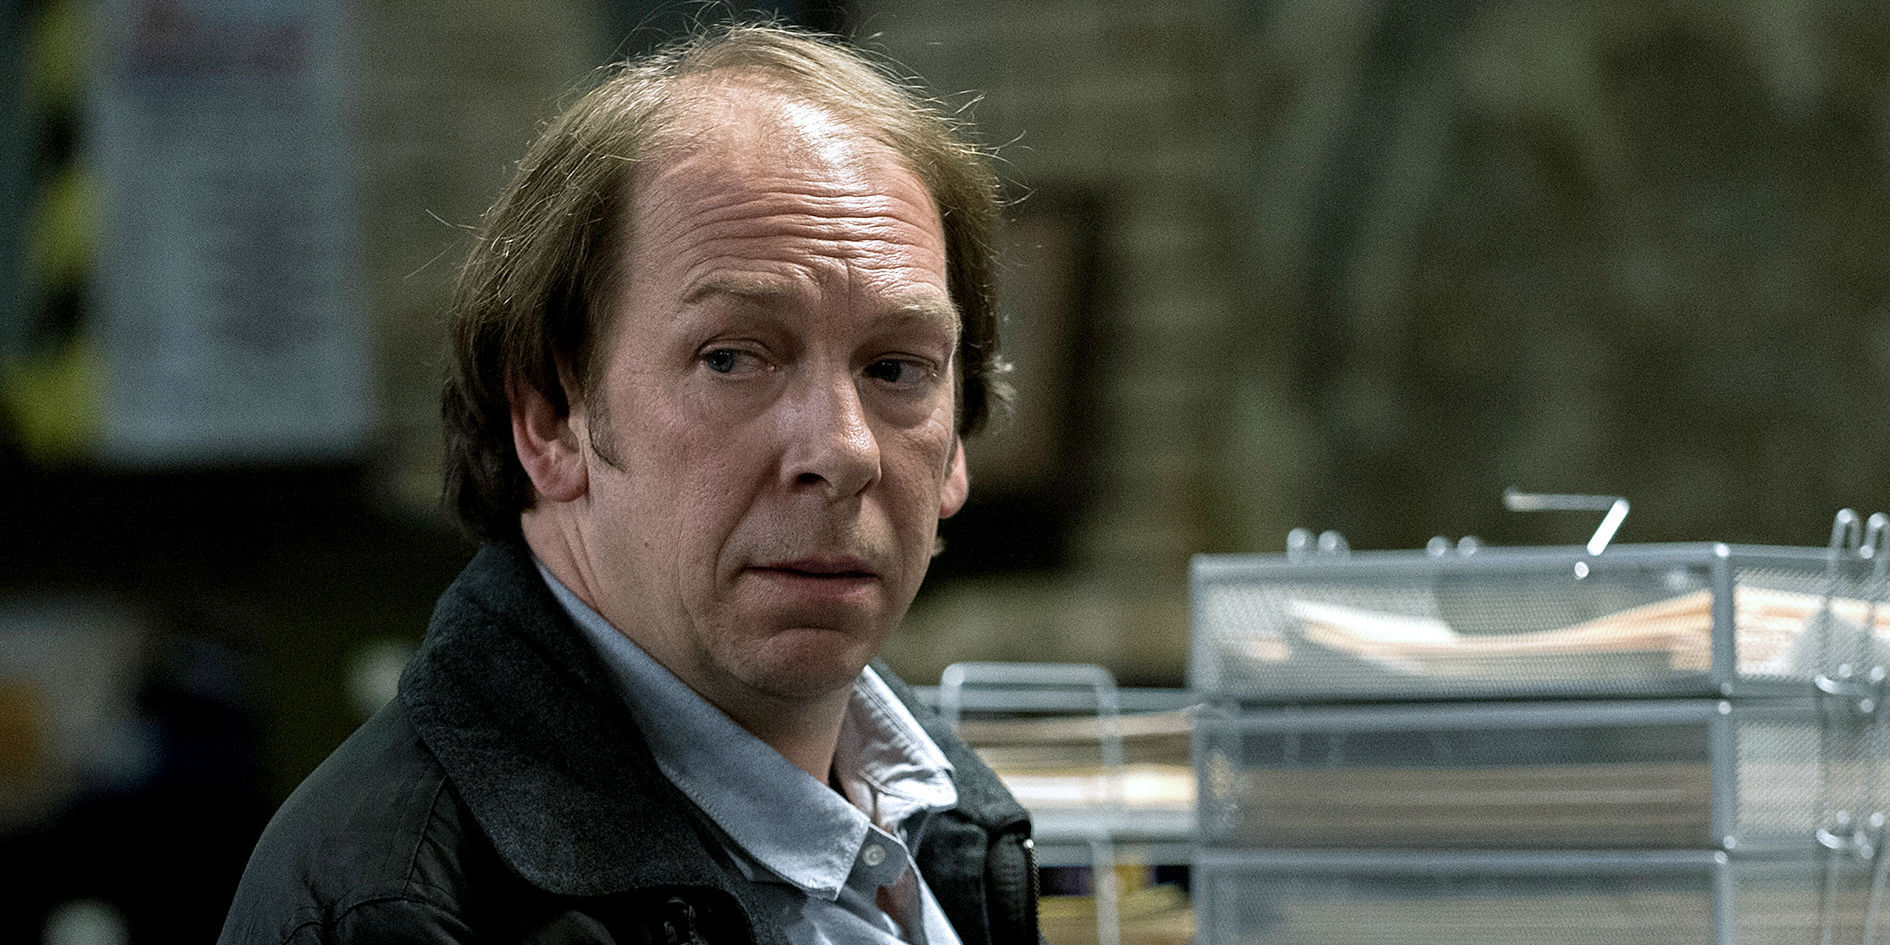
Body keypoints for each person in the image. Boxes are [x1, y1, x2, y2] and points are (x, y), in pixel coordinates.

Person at [219, 21, 1037, 945]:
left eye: (896, 369)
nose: (845, 451)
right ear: (550, 421)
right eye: (732, 357)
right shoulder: (400, 911)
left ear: (957, 447)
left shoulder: (939, 820)